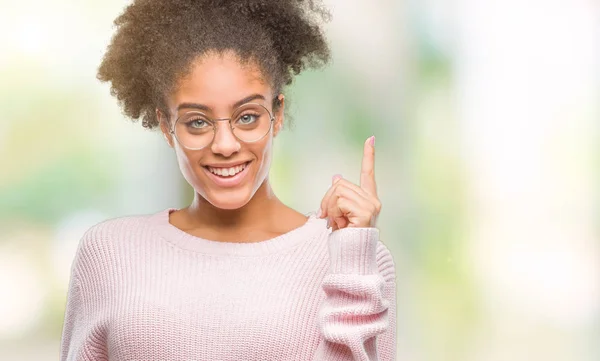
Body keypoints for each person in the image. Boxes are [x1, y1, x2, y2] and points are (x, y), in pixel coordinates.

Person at [59, 0, 397, 360]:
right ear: (165, 126)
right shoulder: (109, 253)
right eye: (198, 122)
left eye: (248, 117)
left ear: (278, 114)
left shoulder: (355, 258)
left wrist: (353, 257)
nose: (225, 145)